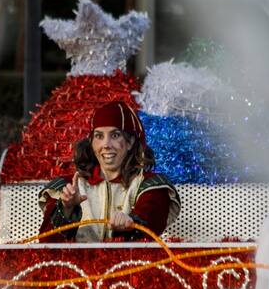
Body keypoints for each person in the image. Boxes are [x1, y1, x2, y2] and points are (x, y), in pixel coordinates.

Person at [38, 101, 180, 242]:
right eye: (99, 136)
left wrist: (131, 224)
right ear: (92, 142)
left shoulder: (151, 185)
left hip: (130, 258)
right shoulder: (68, 186)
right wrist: (66, 208)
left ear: (130, 142)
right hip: (75, 258)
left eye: (115, 135)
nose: (106, 145)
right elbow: (46, 244)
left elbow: (151, 221)